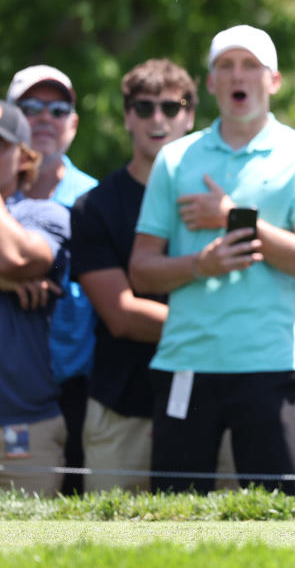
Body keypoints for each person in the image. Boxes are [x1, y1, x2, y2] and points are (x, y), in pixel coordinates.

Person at [129, 25, 295, 493]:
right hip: (185, 366)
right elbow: (141, 271)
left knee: (276, 523)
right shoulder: (175, 159)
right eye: (225, 65)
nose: (237, 75)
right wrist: (200, 265)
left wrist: (232, 218)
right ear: (209, 83)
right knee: (173, 520)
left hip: (269, 366)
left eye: (250, 65)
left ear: (274, 80)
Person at [70, 59, 202, 492]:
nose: (158, 119)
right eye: (144, 108)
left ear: (191, 115)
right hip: (122, 405)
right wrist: (218, 327)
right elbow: (121, 314)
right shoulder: (95, 207)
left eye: (171, 106)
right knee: (109, 550)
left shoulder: (214, 199)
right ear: (128, 116)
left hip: (208, 400)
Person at [8, 65, 97, 493]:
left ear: (74, 125)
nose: (45, 118)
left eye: (58, 109)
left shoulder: (94, 200)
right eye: (31, 108)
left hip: (77, 389)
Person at [0, 102, 70, 496]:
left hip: (24, 423)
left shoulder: (45, 215)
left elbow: (16, 256)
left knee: (28, 552)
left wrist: (10, 275)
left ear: (26, 157)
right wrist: (6, 284)